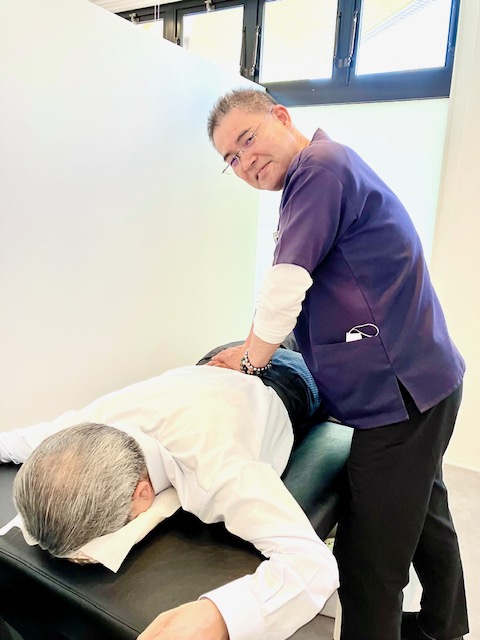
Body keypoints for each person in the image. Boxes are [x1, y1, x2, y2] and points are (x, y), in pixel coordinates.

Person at [206, 89, 469, 640]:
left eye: (247, 139)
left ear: (281, 117)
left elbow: (285, 288)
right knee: (427, 515)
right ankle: (443, 629)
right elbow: (318, 293)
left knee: (368, 558)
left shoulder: (319, 170)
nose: (245, 161)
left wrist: (249, 362)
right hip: (424, 381)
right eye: (231, 158)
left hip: (399, 398)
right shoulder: (321, 174)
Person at [0, 345, 338, 640]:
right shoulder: (81, 431)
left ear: (143, 493)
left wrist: (219, 617)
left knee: (319, 342)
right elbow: (13, 443)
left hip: (286, 379)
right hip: (208, 367)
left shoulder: (215, 467)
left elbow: (312, 564)